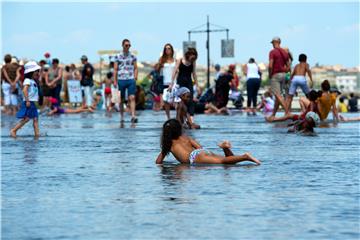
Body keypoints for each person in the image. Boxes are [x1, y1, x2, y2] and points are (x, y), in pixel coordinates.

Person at [155, 119, 261, 165]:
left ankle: (245, 157)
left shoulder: (169, 145)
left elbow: (158, 162)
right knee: (226, 161)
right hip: (201, 152)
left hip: (193, 158)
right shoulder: (186, 138)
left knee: (223, 162)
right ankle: (225, 148)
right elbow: (199, 147)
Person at [10, 61, 41, 138]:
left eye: (38, 71)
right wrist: (27, 100)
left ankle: (37, 134)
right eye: (36, 71)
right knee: (26, 119)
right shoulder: (27, 80)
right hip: (28, 102)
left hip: (32, 102)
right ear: (31, 72)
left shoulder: (33, 81)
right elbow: (24, 90)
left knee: (35, 119)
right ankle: (14, 130)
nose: (38, 73)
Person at [171, 47, 200, 124]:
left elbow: (194, 74)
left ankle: (191, 119)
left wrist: (197, 86)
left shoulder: (193, 62)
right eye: (191, 58)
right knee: (181, 101)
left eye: (194, 58)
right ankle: (181, 119)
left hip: (189, 82)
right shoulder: (180, 60)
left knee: (190, 101)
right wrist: (171, 83)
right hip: (180, 83)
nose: (192, 60)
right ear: (188, 55)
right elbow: (174, 71)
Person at [113, 39, 138, 123]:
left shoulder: (133, 56)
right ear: (122, 45)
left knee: (132, 97)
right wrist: (115, 81)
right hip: (121, 79)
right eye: (126, 45)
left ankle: (133, 116)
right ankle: (122, 116)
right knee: (121, 99)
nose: (128, 47)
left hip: (130, 79)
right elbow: (115, 69)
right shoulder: (117, 56)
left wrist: (135, 77)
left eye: (129, 45)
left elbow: (135, 68)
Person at [267, 37, 290, 120]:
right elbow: (288, 66)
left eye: (272, 43)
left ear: (274, 42)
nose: (272, 44)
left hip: (276, 75)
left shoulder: (272, 52)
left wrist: (270, 74)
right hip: (284, 75)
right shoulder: (285, 52)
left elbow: (270, 65)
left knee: (277, 95)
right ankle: (273, 114)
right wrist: (284, 71)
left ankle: (287, 112)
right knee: (278, 97)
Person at [159, 43, 176, 119]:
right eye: (166, 48)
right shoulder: (162, 60)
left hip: (174, 82)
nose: (167, 50)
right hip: (165, 82)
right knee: (166, 101)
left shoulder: (175, 60)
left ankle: (178, 117)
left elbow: (177, 71)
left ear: (172, 50)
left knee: (176, 101)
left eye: (169, 48)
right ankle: (168, 118)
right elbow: (158, 70)